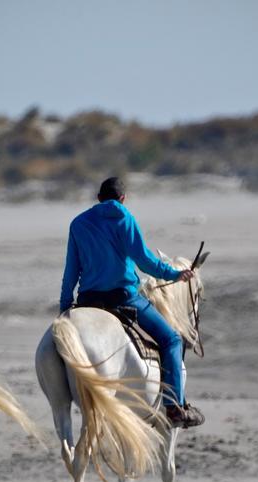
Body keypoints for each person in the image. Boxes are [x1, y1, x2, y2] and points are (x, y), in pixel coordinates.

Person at [59, 177, 204, 428]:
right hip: (123, 297)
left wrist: (64, 306)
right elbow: (145, 260)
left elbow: (71, 270)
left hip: (88, 300)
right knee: (172, 340)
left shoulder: (78, 223)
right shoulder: (124, 218)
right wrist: (174, 274)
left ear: (98, 198)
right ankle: (174, 406)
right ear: (123, 198)